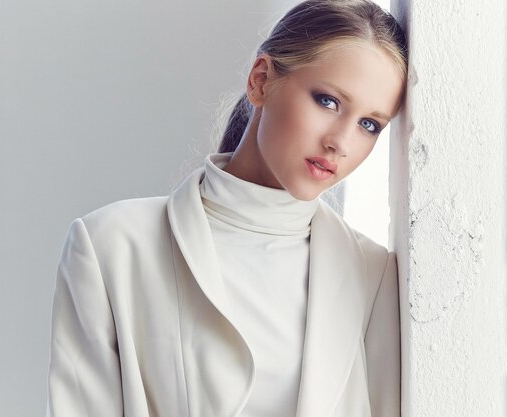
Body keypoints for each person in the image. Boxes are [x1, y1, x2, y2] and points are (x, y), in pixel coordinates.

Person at [46, 0, 407, 416]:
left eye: (369, 125)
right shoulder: (111, 246)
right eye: (328, 101)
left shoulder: (373, 275)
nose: (341, 142)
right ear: (260, 81)